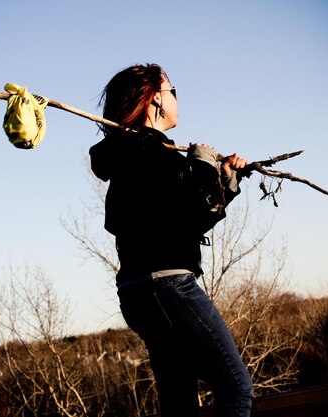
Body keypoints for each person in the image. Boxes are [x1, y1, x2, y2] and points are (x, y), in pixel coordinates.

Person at [89, 63, 254, 417]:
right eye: (173, 92)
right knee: (236, 389)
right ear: (155, 101)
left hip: (140, 291)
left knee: (179, 403)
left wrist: (222, 181)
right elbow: (190, 213)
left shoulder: (137, 155)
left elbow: (184, 222)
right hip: (168, 287)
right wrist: (202, 167)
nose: (179, 99)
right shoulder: (152, 154)